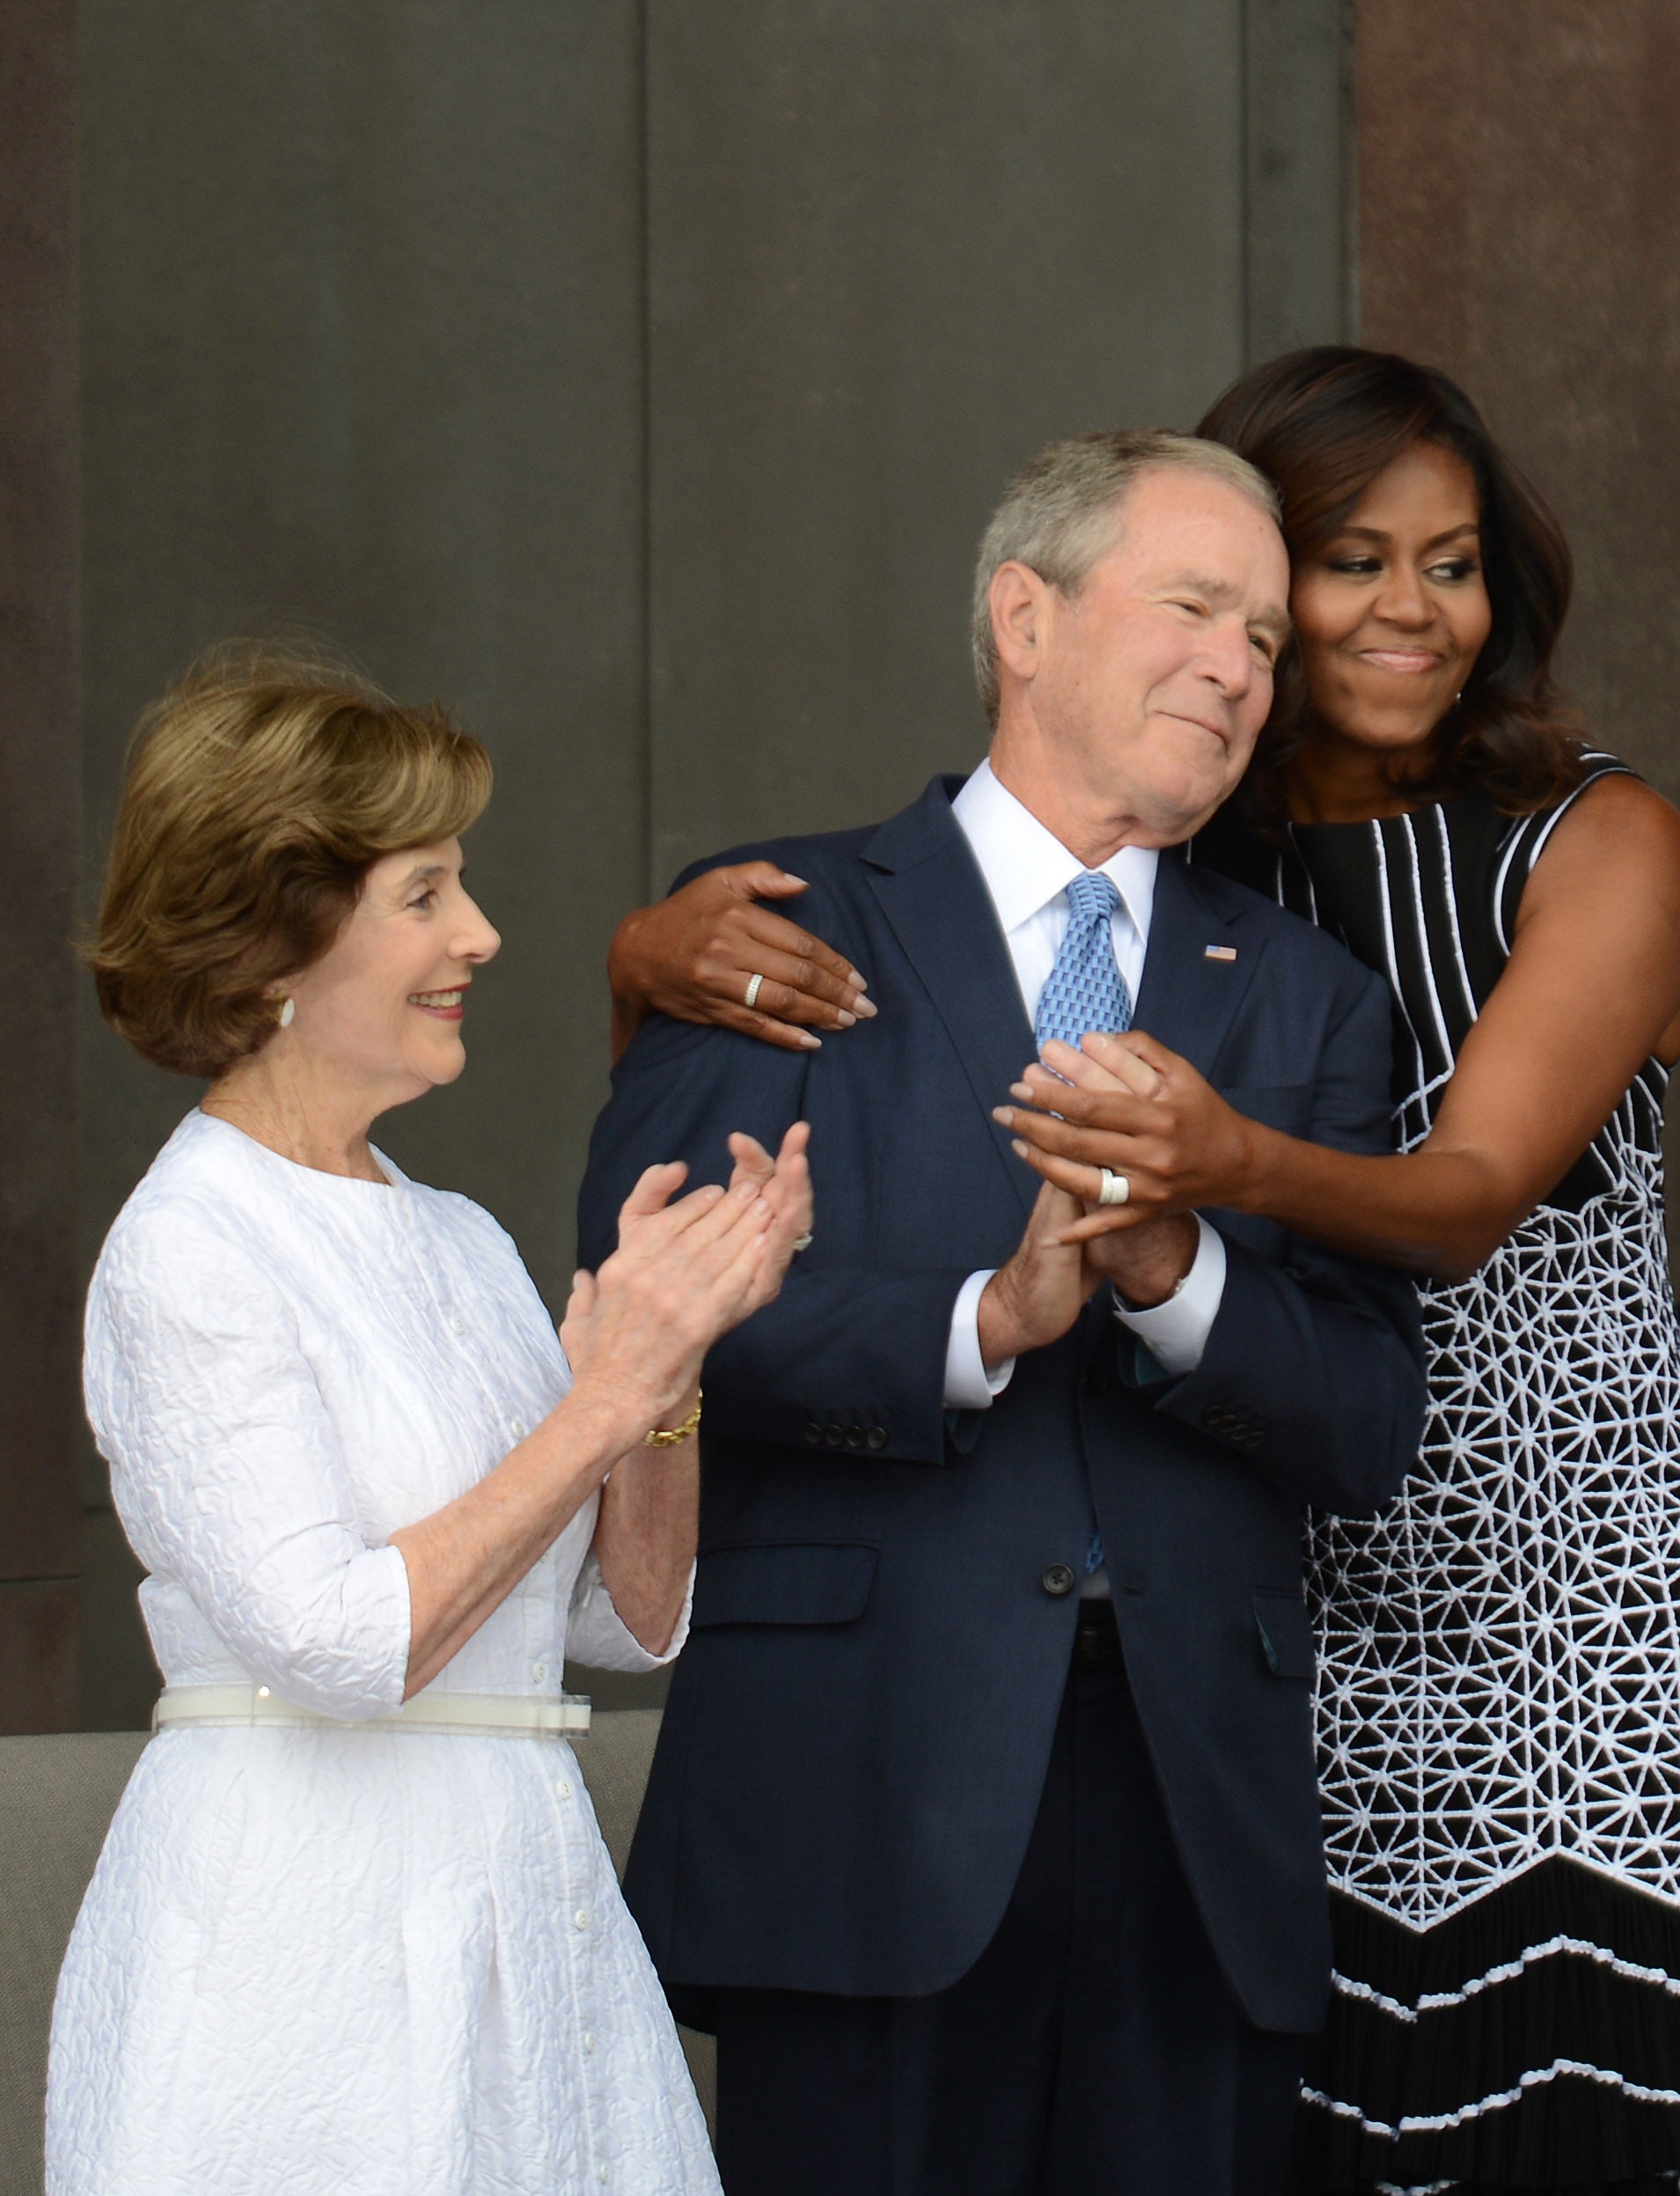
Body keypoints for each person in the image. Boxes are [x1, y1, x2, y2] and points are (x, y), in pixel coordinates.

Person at [610, 351, 1680, 2195]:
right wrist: (976, 1317)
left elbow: (1416, 1302)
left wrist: (1187, 1238)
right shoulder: (812, 917)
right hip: (963, 1767)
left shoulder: (1360, 953)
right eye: (1226, 600)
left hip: (1363, 1708)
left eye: (1261, 630)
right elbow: (654, 1292)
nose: (1261, 657)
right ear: (1025, 620)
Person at [46, 647, 811, 2196]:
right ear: (274, 936)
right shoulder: (191, 1246)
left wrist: (669, 1382)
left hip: (520, 1907)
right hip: (299, 1938)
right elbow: (337, 1642)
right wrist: (602, 1399)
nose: (481, 934)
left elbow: (627, 1619)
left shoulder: (451, 1233)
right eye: (424, 894)